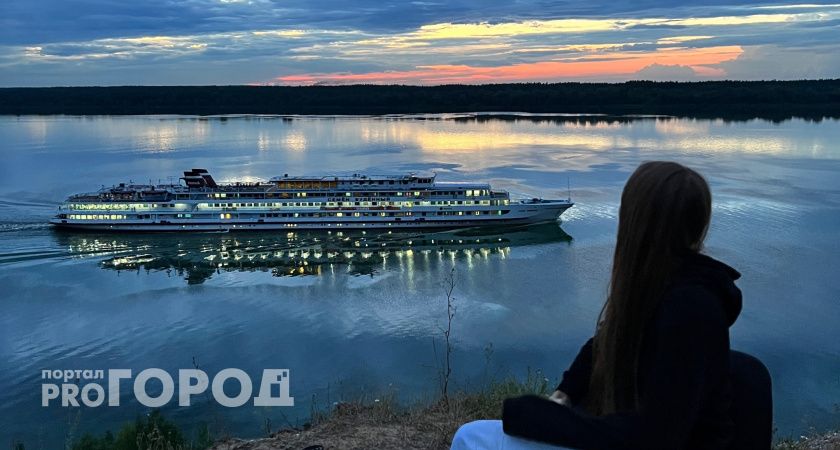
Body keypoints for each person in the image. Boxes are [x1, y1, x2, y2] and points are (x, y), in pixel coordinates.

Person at [451, 161, 772, 450]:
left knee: (470, 438)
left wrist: (539, 417)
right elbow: (607, 340)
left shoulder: (689, 308)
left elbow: (653, 437)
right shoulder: (665, 283)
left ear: (635, 223)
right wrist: (565, 392)